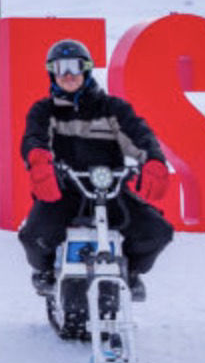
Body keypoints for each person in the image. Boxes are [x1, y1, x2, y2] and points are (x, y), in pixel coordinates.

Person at [17, 39, 174, 299]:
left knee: (157, 232)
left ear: (86, 70)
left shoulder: (113, 109)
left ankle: (130, 273)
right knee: (34, 235)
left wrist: (154, 161)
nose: (68, 74)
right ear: (52, 73)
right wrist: (39, 161)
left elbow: (140, 136)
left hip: (110, 190)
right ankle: (45, 273)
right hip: (64, 191)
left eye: (74, 67)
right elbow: (34, 138)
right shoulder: (44, 111)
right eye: (60, 68)